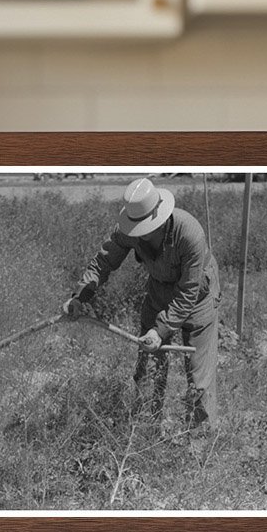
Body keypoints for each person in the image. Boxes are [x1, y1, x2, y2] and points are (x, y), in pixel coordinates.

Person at [64, 177, 221, 429]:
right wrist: (80, 296)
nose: (141, 233)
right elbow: (104, 261)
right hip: (159, 292)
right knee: (148, 366)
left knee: (199, 377)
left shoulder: (189, 233)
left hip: (198, 297)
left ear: (160, 216)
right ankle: (147, 428)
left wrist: (160, 330)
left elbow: (188, 290)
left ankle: (200, 443)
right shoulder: (128, 229)